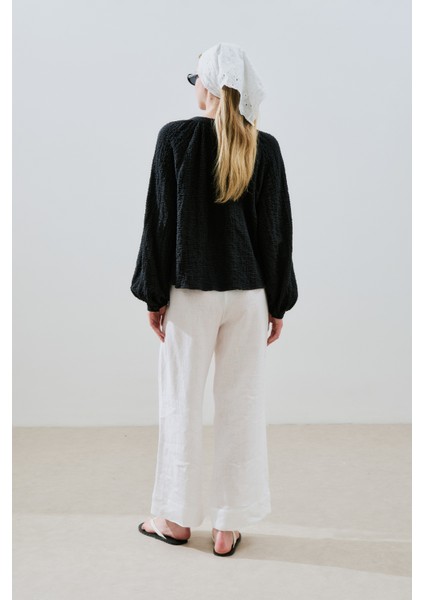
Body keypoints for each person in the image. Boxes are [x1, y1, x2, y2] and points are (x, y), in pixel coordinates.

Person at [130, 42, 298, 557]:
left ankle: (176, 520)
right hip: (248, 297)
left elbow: (160, 222)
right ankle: (228, 525)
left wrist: (154, 295)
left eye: (195, 80)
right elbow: (276, 232)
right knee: (241, 404)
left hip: (190, 295)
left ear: (207, 87)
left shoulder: (175, 138)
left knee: (180, 403)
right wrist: (277, 303)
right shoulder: (264, 146)